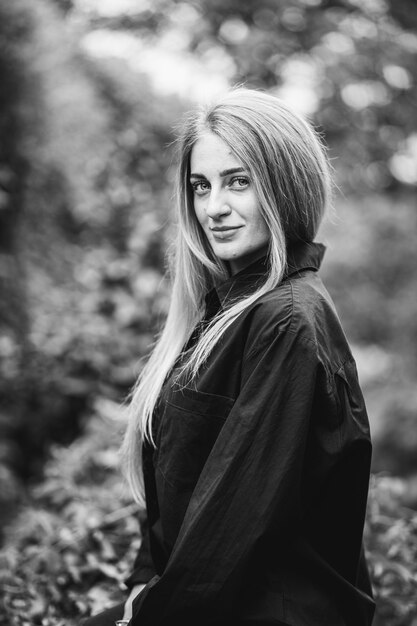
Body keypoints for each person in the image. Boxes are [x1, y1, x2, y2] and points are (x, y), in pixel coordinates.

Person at [82, 87, 375, 625]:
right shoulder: (228, 309)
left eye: (238, 182)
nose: (213, 207)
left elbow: (231, 524)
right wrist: (142, 582)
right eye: (201, 186)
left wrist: (147, 613)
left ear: (285, 187)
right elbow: (178, 493)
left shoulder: (286, 321)